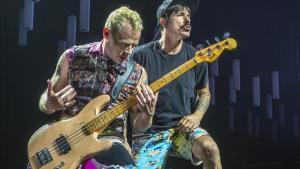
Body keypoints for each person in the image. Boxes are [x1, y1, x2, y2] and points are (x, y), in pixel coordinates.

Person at [37, 6, 157, 169]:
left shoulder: (137, 73)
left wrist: (148, 114)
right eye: (123, 44)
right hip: (69, 144)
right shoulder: (72, 57)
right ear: (106, 33)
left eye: (134, 45)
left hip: (112, 145)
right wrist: (50, 104)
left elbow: (138, 126)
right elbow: (45, 104)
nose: (128, 52)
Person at [131, 0, 222, 169]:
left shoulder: (197, 57)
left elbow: (204, 92)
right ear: (163, 21)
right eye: (180, 15)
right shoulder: (140, 56)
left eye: (189, 15)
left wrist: (196, 116)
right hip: (148, 133)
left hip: (182, 131)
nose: (188, 20)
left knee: (211, 149)